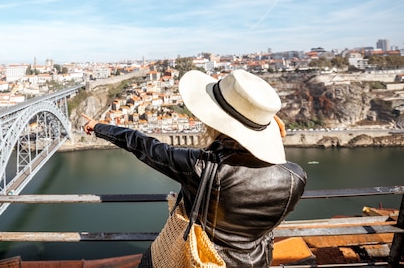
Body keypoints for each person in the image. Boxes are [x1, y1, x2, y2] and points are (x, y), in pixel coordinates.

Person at [81, 69, 307, 268]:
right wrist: (266, 133)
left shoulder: (203, 167)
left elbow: (143, 145)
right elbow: (267, 163)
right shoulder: (295, 177)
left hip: (202, 259)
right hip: (256, 261)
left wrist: (99, 127)